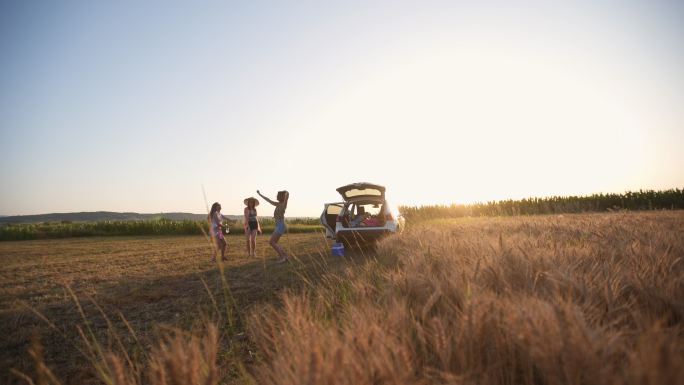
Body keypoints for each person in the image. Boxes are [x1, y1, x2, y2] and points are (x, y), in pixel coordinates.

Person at [257, 189, 289, 263]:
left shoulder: (283, 205)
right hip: (279, 225)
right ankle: (285, 256)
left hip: (281, 225)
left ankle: (282, 257)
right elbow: (268, 200)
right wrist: (260, 194)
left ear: (281, 197)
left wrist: (287, 194)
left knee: (272, 242)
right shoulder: (277, 204)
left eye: (277, 195)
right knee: (274, 242)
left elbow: (287, 198)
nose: (276, 196)